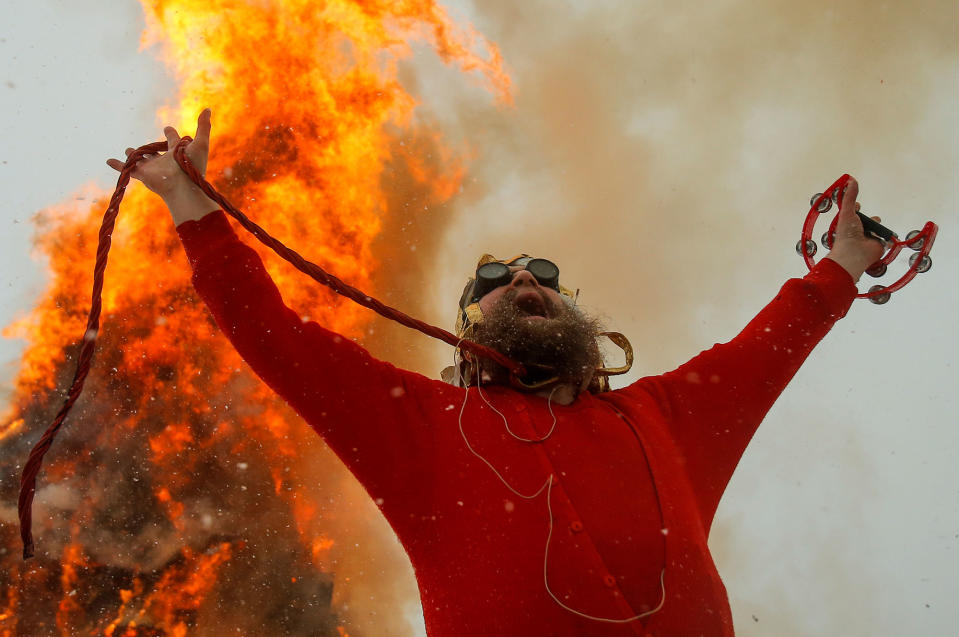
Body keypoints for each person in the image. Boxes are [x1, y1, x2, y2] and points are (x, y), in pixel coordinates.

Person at [108, 110, 884, 637]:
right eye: (493, 283)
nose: (521, 282)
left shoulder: (668, 419)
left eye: (542, 276)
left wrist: (843, 266)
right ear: (468, 328)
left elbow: (766, 347)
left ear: (574, 311)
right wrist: (189, 203)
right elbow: (276, 337)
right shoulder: (420, 425)